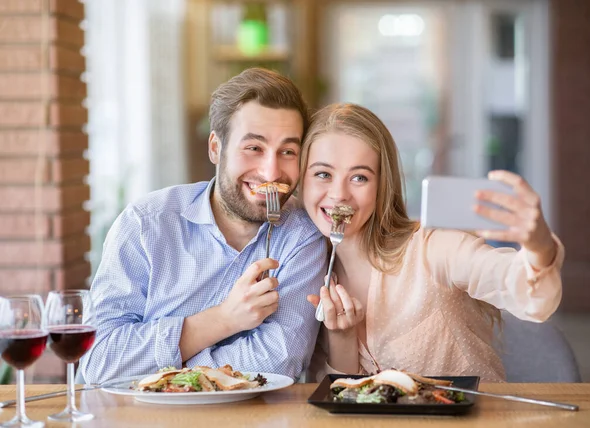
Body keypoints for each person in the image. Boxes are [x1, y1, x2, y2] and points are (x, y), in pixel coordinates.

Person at [80, 68, 328, 384]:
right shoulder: (146, 224)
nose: (271, 171)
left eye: (288, 151)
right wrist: (223, 320)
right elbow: (99, 362)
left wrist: (157, 369)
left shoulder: (302, 237)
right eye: (253, 147)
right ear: (215, 148)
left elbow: (278, 363)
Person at [301, 103, 563, 382]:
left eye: (359, 177)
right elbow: (345, 404)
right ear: (301, 181)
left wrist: (540, 246)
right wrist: (342, 339)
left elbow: (533, 297)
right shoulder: (305, 276)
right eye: (323, 174)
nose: (339, 194)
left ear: (381, 188)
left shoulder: (431, 251)